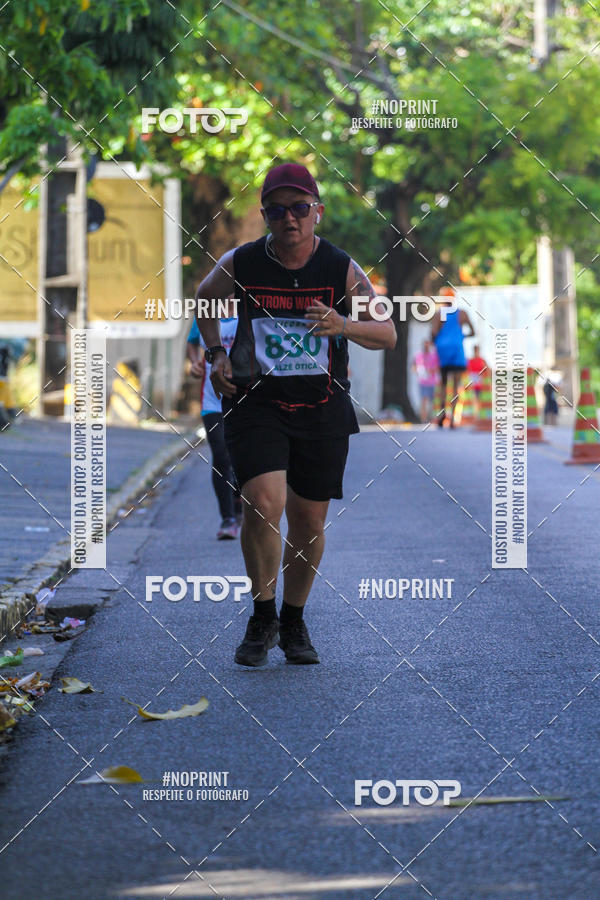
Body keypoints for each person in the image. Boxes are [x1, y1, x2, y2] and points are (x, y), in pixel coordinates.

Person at [194, 162, 396, 667]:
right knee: (263, 502)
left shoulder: (340, 268)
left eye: (300, 208)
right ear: (265, 216)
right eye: (278, 209)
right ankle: (262, 615)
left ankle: (293, 619)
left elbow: (386, 334)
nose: (290, 218)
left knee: (308, 521)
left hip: (322, 407)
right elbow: (203, 299)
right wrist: (217, 354)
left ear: (317, 213)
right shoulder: (241, 263)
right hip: (256, 402)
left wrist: (342, 325)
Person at [186, 302, 242, 539]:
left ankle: (239, 501)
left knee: (242, 456)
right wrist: (195, 363)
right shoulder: (205, 314)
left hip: (244, 397)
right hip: (212, 400)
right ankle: (228, 518)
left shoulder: (248, 312)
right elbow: (192, 344)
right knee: (221, 455)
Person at [431, 301, 475, 428]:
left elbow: (434, 332)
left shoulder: (439, 314)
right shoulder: (462, 313)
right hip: (456, 348)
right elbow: (473, 332)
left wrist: (438, 341)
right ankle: (452, 420)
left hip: (443, 348)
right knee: (456, 385)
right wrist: (461, 336)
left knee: (443, 385)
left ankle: (441, 415)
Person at [412, 339, 439, 423]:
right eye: (425, 344)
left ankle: (432, 418)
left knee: (433, 401)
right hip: (422, 381)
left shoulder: (434, 355)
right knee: (423, 400)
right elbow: (413, 367)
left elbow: (437, 367)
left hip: (432, 382)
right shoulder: (418, 355)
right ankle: (423, 419)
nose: (426, 346)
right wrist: (419, 371)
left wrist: (430, 371)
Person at [466, 344, 488, 416]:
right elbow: (467, 370)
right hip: (473, 380)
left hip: (480, 381)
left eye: (477, 350)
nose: (476, 352)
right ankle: (476, 413)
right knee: (474, 396)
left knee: (479, 397)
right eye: (475, 350)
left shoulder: (481, 360)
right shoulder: (470, 360)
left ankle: (478, 412)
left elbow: (487, 368)